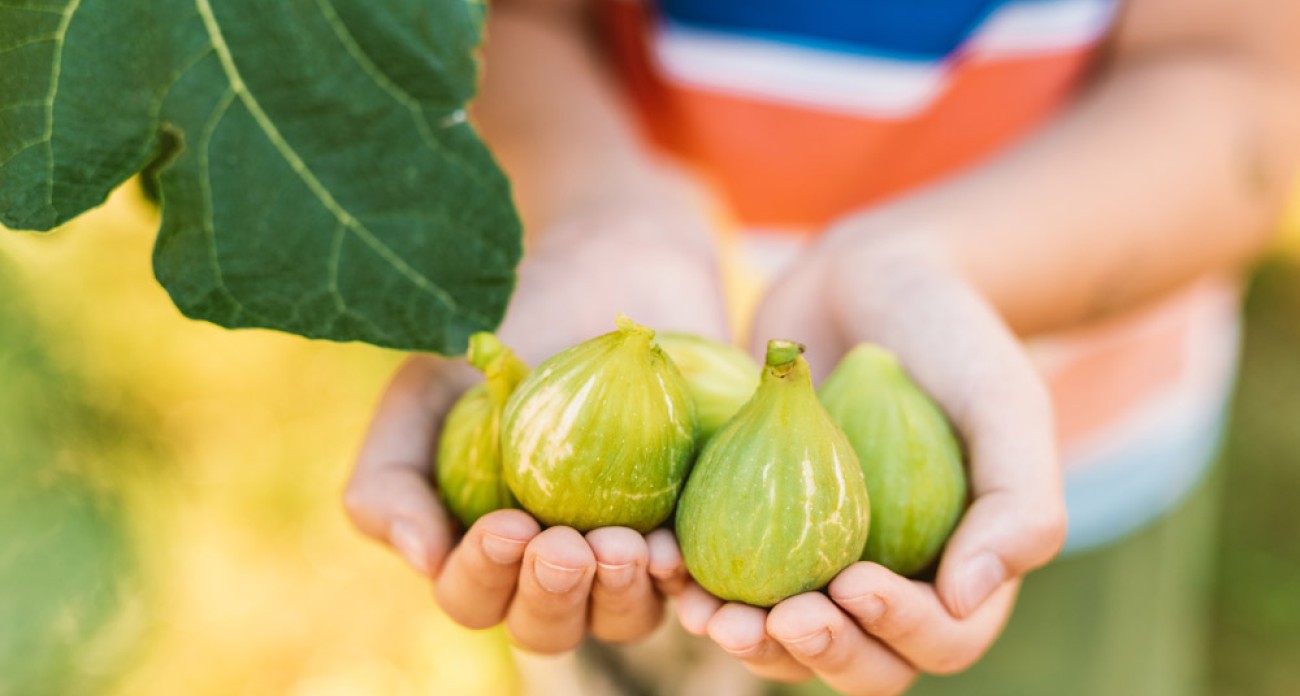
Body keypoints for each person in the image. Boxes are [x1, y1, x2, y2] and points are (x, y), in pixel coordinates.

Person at [342, 0, 1300, 693]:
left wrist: (925, 263)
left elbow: (1247, 81)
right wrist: (595, 209)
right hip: (631, 553)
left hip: (1069, 442)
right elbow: (504, 21)